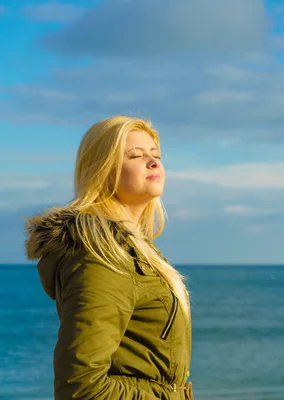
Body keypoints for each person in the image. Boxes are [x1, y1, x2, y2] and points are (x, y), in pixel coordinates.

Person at [24, 116, 193, 400]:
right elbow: (81, 387)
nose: (154, 163)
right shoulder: (101, 255)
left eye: (156, 155)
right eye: (136, 156)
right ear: (103, 170)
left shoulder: (135, 251)